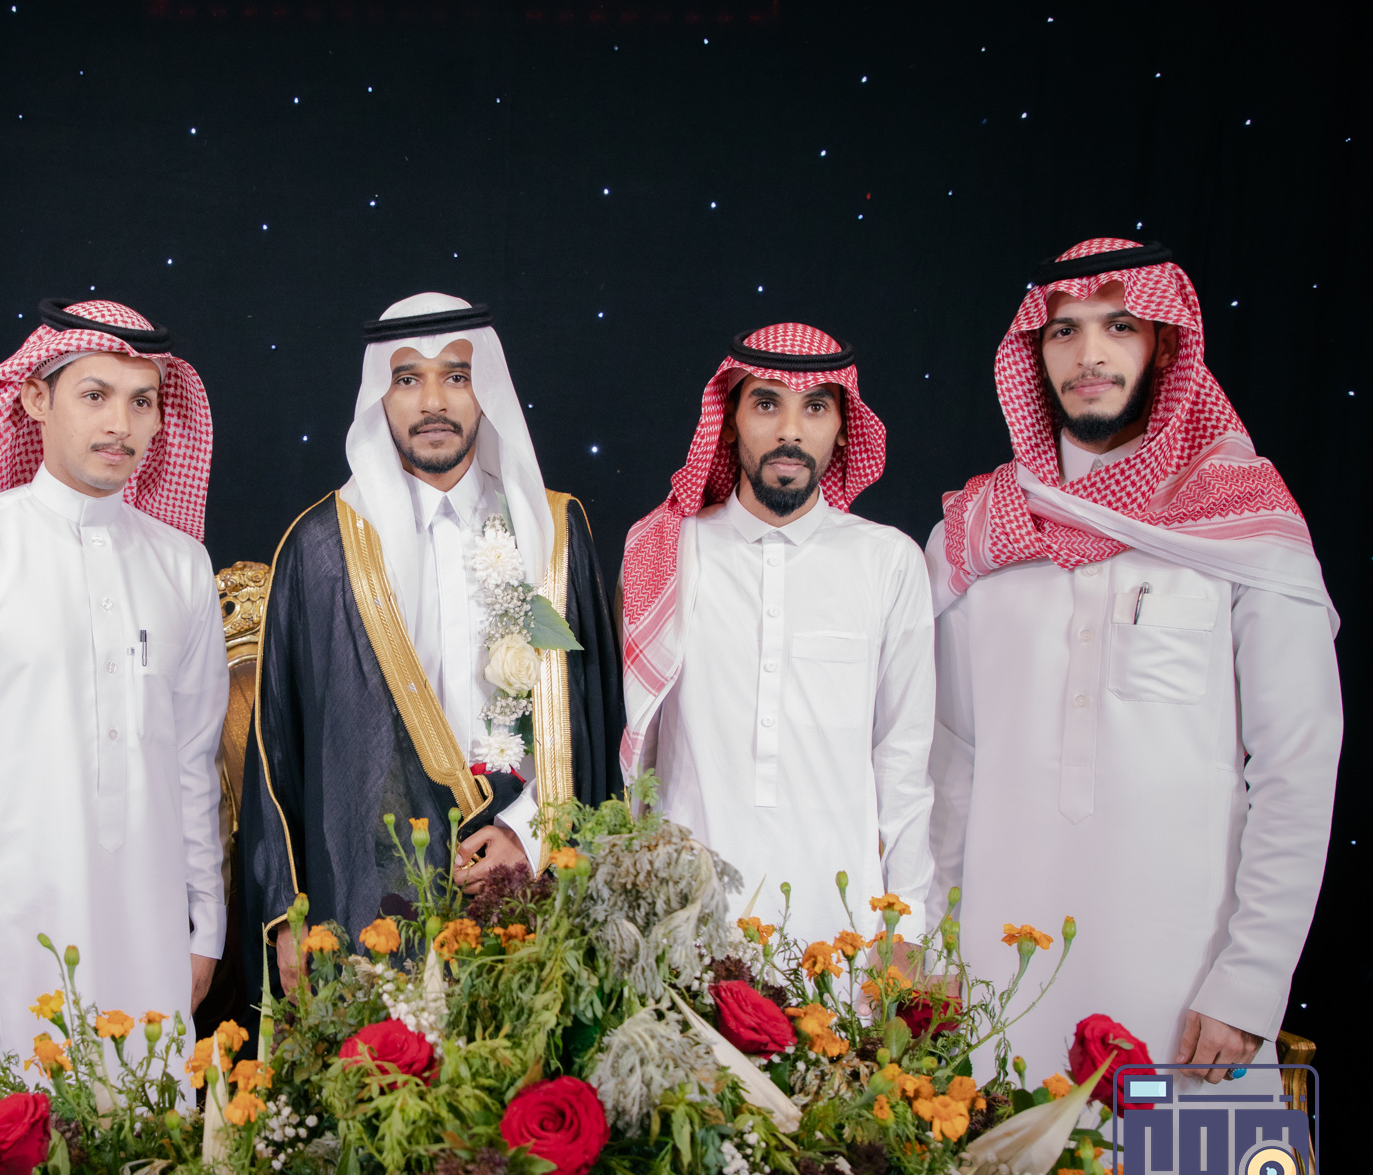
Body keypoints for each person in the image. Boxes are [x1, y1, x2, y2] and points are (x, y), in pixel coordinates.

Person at [929, 238, 1341, 1087]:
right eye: (1064, 331)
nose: (1090, 354)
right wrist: (935, 948)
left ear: (1163, 345)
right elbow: (947, 764)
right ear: (1034, 357)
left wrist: (1252, 979)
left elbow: (1297, 761)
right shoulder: (974, 535)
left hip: (1190, 996)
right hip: (998, 987)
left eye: (1119, 326)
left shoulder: (1246, 523)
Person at [0, 300, 226, 1166]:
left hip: (145, 946)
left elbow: (193, 764)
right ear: (34, 400)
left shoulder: (181, 565)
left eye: (142, 401)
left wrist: (203, 932)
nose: (121, 424)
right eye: (95, 395)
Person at [238, 292, 624, 1004]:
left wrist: (527, 835)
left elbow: (591, 719)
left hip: (526, 884)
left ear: (487, 390)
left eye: (457, 376)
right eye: (408, 378)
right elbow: (278, 747)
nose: (433, 401)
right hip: (368, 894)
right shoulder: (321, 547)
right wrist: (284, 913)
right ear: (379, 396)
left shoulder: (553, 532)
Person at [620, 325, 935, 948]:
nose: (791, 430)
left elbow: (904, 757)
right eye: (767, 403)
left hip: (842, 925)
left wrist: (908, 929)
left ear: (842, 428)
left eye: (815, 407)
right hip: (686, 918)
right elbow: (639, 753)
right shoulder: (668, 548)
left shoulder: (888, 560)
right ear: (729, 421)